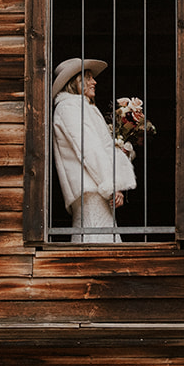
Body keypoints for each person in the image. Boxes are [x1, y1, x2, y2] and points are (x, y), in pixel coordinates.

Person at [51, 56, 137, 242]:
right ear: (75, 82)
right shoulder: (70, 108)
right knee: (98, 247)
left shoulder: (81, 108)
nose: (94, 81)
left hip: (95, 190)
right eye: (88, 77)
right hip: (91, 193)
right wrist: (112, 185)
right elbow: (89, 151)